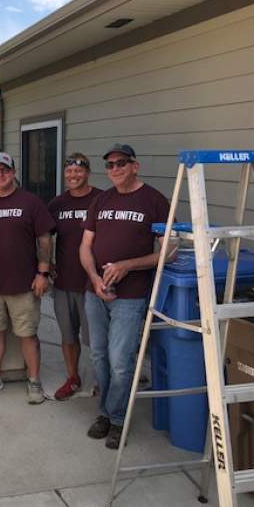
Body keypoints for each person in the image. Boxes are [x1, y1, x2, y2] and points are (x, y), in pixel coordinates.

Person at [80, 144, 174, 449]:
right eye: (109, 165)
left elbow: (168, 251)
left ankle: (118, 418)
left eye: (121, 163)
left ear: (135, 166)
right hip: (96, 291)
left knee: (120, 360)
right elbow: (85, 246)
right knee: (98, 355)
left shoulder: (155, 201)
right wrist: (94, 278)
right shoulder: (101, 200)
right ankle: (105, 413)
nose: (115, 169)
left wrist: (126, 266)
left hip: (130, 295)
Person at [0, 153, 55, 404]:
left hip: (24, 285)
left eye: (5, 170)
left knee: (28, 335)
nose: (1, 174)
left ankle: (34, 381)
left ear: (14, 172)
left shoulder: (31, 202)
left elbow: (45, 238)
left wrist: (43, 273)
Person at [48, 152, 101, 400]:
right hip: (64, 281)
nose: (73, 175)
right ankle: (73, 378)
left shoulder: (101, 199)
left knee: (97, 338)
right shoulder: (57, 204)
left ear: (87, 172)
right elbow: (43, 235)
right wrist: (46, 263)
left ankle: (103, 380)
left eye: (78, 171)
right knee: (68, 336)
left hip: (93, 282)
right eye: (69, 171)